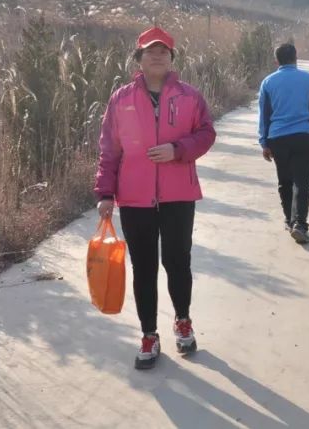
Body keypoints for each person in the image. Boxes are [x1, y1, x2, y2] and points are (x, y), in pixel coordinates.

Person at [94, 26, 217, 369]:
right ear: (139, 59)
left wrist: (179, 149)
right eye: (151, 51)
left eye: (164, 51)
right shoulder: (121, 99)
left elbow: (207, 133)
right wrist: (105, 192)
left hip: (179, 195)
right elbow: (109, 149)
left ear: (172, 58)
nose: (158, 56)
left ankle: (182, 320)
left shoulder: (190, 96)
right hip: (134, 198)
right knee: (144, 268)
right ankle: (149, 334)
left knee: (178, 262)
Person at [258, 43, 309, 244]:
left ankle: (290, 221)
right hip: (302, 136)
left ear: (276, 60)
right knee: (302, 181)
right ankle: (299, 223)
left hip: (277, 137)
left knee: (285, 180)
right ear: (295, 57)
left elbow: (264, 115)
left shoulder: (268, 83)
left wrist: (264, 142)